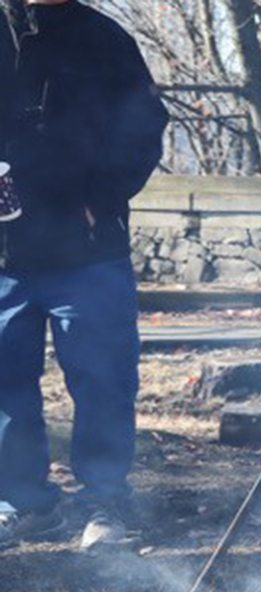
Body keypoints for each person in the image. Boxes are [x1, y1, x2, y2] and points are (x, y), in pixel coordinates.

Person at [0, 0, 168, 549]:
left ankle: (104, 501)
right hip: (4, 254)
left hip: (88, 252)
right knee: (5, 386)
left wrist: (101, 198)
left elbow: (145, 126)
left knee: (103, 381)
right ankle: (22, 502)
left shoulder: (106, 38)